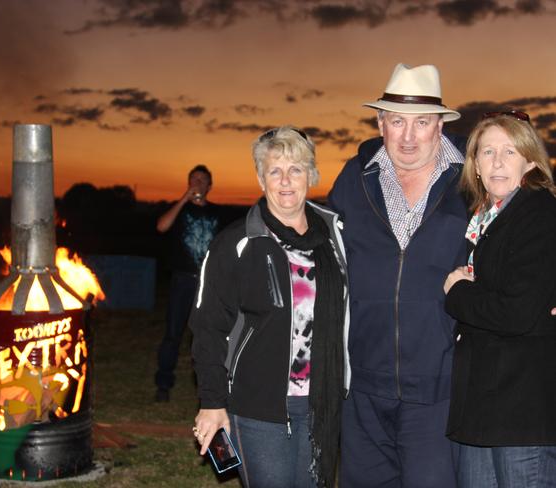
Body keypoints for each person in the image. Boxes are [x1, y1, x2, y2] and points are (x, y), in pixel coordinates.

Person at [327, 63, 467, 487]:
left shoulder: (474, 177)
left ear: (439, 125)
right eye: (397, 121)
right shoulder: (355, 177)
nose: (407, 137)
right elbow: (320, 250)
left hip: (440, 386)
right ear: (379, 122)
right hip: (364, 384)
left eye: (421, 122)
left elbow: (522, 232)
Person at [190, 126, 349, 488]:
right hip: (257, 405)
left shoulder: (335, 236)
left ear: (311, 174)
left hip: (321, 403)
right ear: (261, 179)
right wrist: (212, 402)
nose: (286, 180)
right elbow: (208, 327)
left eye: (295, 169)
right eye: (274, 170)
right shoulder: (238, 243)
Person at [443, 112, 556, 487]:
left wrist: (457, 293)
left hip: (520, 412)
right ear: (474, 165)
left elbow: (517, 312)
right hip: (483, 408)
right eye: (487, 151)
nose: (497, 161)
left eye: (509, 151)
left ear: (531, 161)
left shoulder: (537, 213)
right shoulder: (484, 218)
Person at [154, 164, 222, 402]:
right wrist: (183, 199)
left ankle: (210, 387)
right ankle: (163, 384)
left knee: (208, 336)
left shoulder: (217, 213)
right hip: (182, 280)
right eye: (193, 179)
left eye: (202, 180)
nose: (198, 183)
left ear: (209, 185)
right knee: (173, 333)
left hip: (209, 284)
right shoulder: (179, 209)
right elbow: (161, 227)